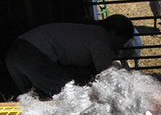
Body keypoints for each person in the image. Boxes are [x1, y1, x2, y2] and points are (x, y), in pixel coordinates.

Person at [6, 14, 134, 98]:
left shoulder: (88, 31)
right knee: (67, 96)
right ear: (113, 32)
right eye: (120, 42)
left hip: (14, 54)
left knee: (31, 97)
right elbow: (106, 70)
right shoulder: (101, 36)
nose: (119, 47)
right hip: (32, 54)